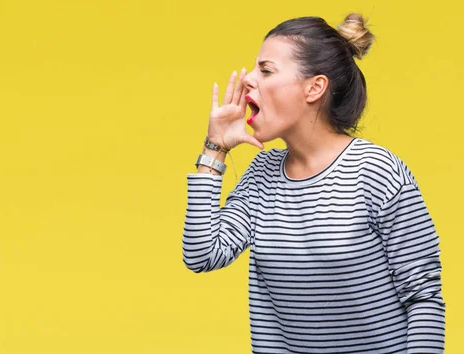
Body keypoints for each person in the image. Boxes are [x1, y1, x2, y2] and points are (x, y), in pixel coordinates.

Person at [182, 14, 445, 354]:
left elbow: (423, 297)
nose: (248, 79)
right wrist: (214, 147)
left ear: (314, 87)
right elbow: (202, 254)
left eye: (266, 70)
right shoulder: (262, 175)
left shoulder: (377, 172)